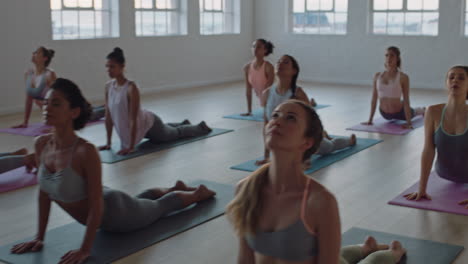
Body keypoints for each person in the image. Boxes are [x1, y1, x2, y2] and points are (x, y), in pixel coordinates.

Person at [10, 78, 216, 264]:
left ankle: (198, 193)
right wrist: (39, 237)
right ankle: (173, 187)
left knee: (161, 208)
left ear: (73, 112)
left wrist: (84, 249)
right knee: (141, 203)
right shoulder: (41, 144)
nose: (47, 108)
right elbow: (45, 194)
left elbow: (97, 204)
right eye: (46, 103)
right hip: (110, 200)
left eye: (55, 104)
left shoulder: (85, 151)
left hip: (117, 215)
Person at [226, 99, 406, 264]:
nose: (277, 121)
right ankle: (365, 248)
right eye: (275, 115)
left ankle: (394, 253)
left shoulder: (320, 201)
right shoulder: (246, 189)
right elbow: (245, 259)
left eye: (290, 118)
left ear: (307, 142)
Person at [99, 48, 212, 155]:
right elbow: (108, 116)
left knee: (175, 133)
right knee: (168, 130)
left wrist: (132, 147)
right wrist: (108, 143)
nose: (108, 70)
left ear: (122, 67)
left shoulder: (131, 88)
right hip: (139, 128)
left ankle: (200, 127)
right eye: (107, 67)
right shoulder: (108, 87)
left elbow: (133, 119)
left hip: (149, 124)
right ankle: (183, 123)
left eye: (112, 67)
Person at [404, 66, 468, 208]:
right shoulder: (432, 111)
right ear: (446, 83)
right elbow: (428, 149)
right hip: (443, 173)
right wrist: (422, 188)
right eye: (451, 77)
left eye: (461, 77)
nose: (455, 80)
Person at [255, 55, 309, 165]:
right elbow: (266, 125)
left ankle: (348, 141)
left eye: (285, 62)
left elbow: (308, 124)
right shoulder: (267, 93)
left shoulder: (298, 94)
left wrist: (305, 158)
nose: (280, 64)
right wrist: (266, 156)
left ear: (294, 71)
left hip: (299, 139)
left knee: (327, 147)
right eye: (278, 61)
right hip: (282, 138)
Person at [362, 46, 425, 129]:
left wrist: (409, 123)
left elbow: (406, 100)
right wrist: (370, 120)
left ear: (397, 58)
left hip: (400, 113)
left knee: (414, 112)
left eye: (392, 55)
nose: (388, 58)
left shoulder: (403, 77)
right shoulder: (378, 76)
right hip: (384, 114)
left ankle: (423, 110)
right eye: (386, 55)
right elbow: (374, 98)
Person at [13, 47, 57, 128]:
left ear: (45, 58)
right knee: (37, 100)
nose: (33, 54)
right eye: (34, 52)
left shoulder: (50, 74)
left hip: (58, 109)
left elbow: (57, 98)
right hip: (45, 107)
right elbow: (29, 98)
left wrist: (55, 125)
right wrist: (25, 122)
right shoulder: (28, 73)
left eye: (37, 52)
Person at [241, 39, 275, 116]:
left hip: (274, 101)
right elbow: (248, 90)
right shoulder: (247, 67)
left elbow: (269, 90)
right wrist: (249, 111)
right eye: (253, 46)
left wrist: (266, 109)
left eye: (259, 47)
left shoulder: (269, 67)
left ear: (265, 50)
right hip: (264, 101)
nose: (255, 49)